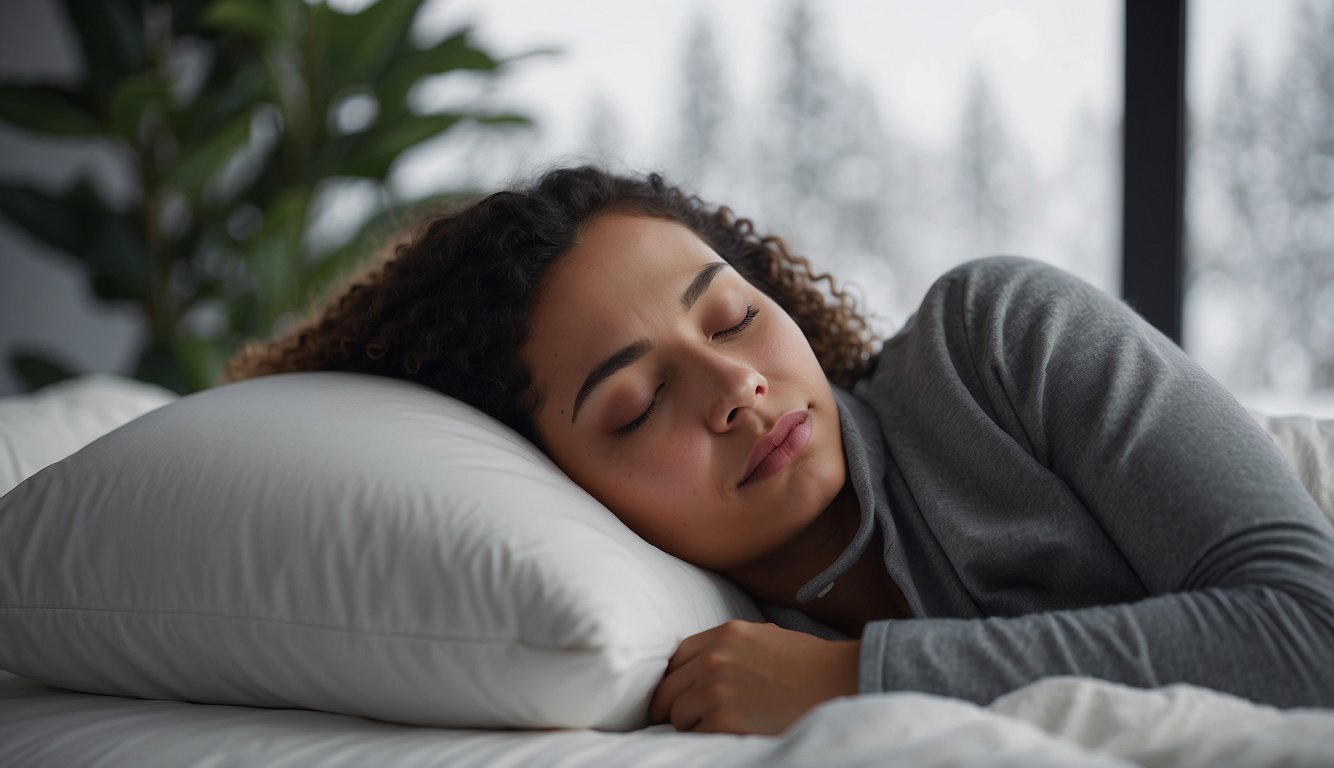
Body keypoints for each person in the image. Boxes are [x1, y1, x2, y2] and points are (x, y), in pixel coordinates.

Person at [226, 166, 1334, 735]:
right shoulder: (686, 655)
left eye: (730, 317)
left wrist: (849, 680)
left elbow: (1309, 632)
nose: (735, 389)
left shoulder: (1000, 339)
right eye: (635, 404)